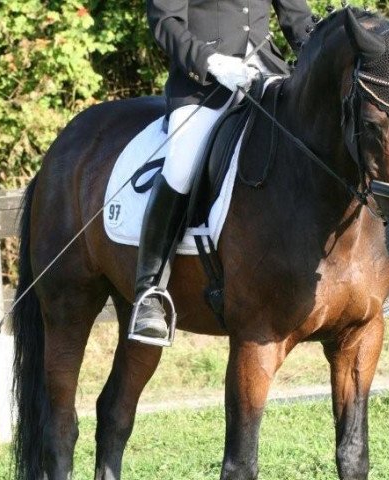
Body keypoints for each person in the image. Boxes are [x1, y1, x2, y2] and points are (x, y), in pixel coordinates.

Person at [131, 0, 314, 342]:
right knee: (182, 165)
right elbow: (165, 22)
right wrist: (211, 62)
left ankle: (354, 271)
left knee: (324, 138)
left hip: (269, 75)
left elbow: (297, 18)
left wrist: (323, 54)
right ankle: (151, 291)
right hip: (204, 86)